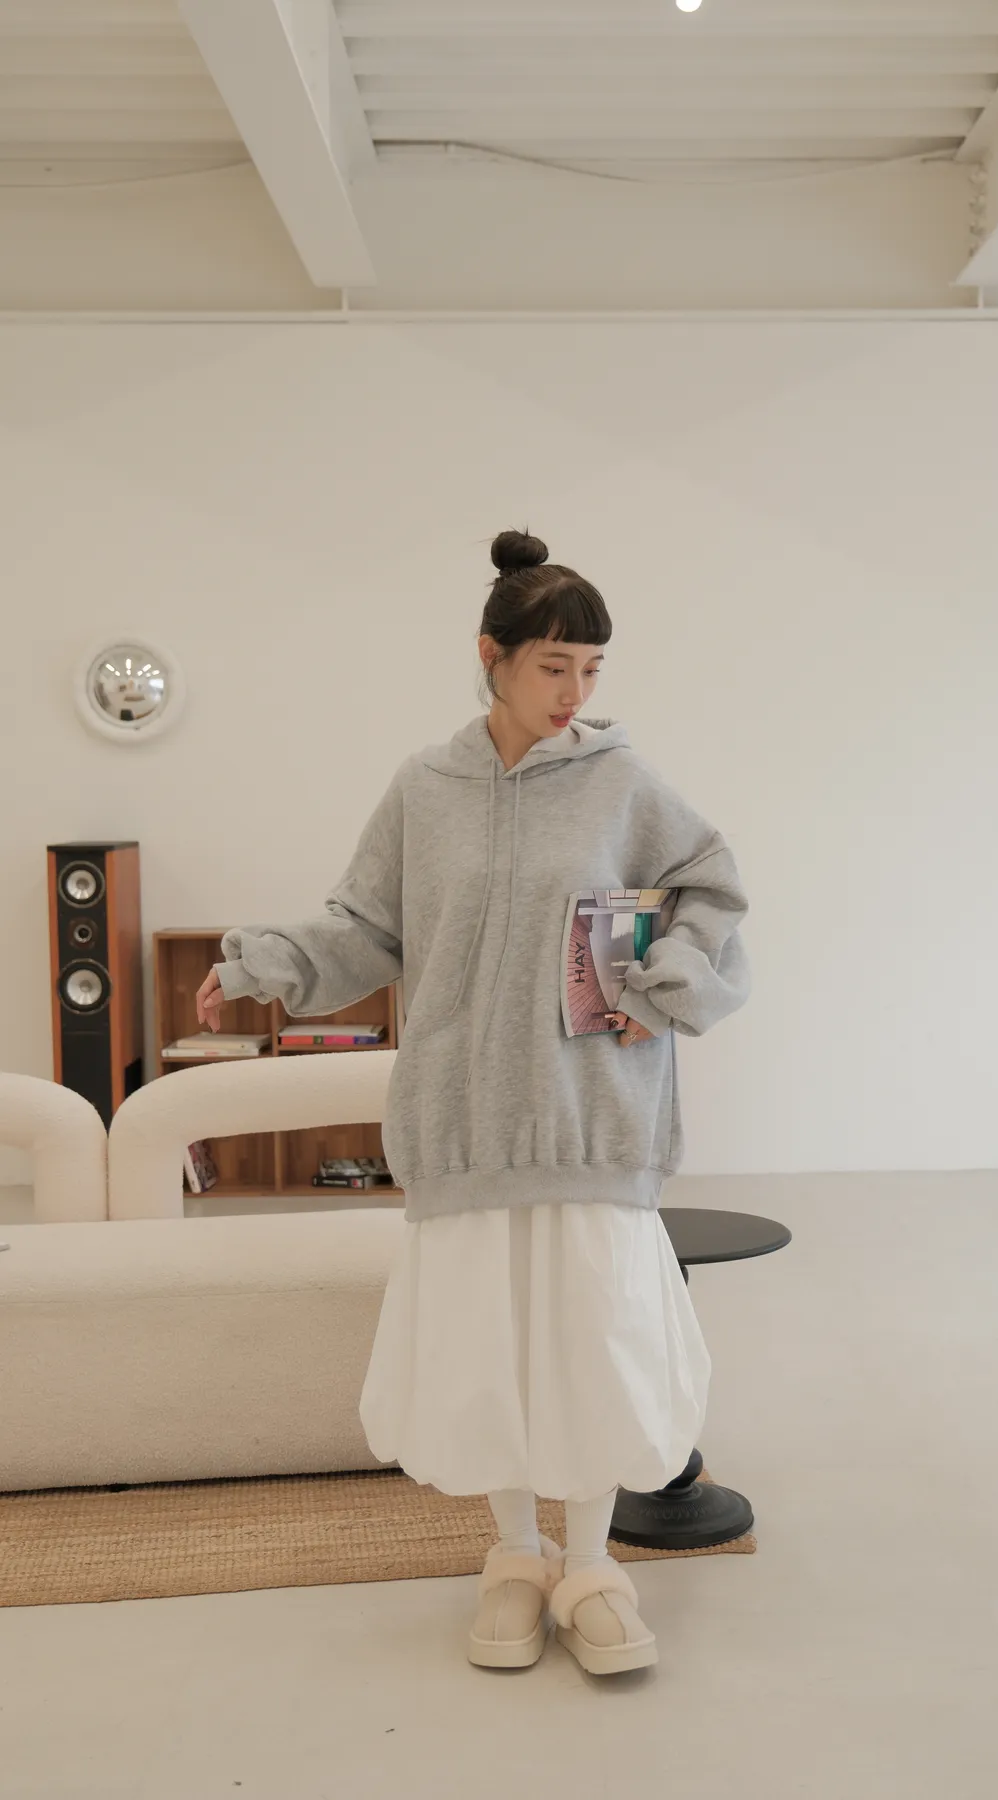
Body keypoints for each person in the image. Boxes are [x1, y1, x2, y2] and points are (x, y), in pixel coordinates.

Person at [195, 528, 751, 1677]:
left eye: (591, 669)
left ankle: (590, 1566)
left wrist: (667, 981)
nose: (575, 693)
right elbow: (363, 929)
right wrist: (261, 965)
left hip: (588, 1118)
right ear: (491, 657)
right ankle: (515, 1558)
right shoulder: (425, 789)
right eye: (554, 667)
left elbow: (710, 891)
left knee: (593, 1345)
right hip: (463, 1123)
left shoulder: (621, 782)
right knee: (484, 1353)